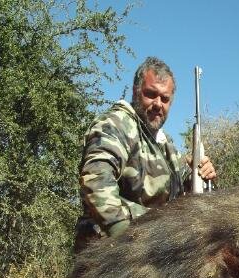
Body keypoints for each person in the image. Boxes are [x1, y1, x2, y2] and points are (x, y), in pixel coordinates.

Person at [74, 57, 216, 252]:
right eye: (151, 94)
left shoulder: (167, 147)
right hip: (110, 255)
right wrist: (123, 237)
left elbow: (176, 206)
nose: (158, 104)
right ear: (135, 91)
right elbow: (96, 179)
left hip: (151, 249)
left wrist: (199, 180)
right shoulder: (116, 124)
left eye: (165, 99)